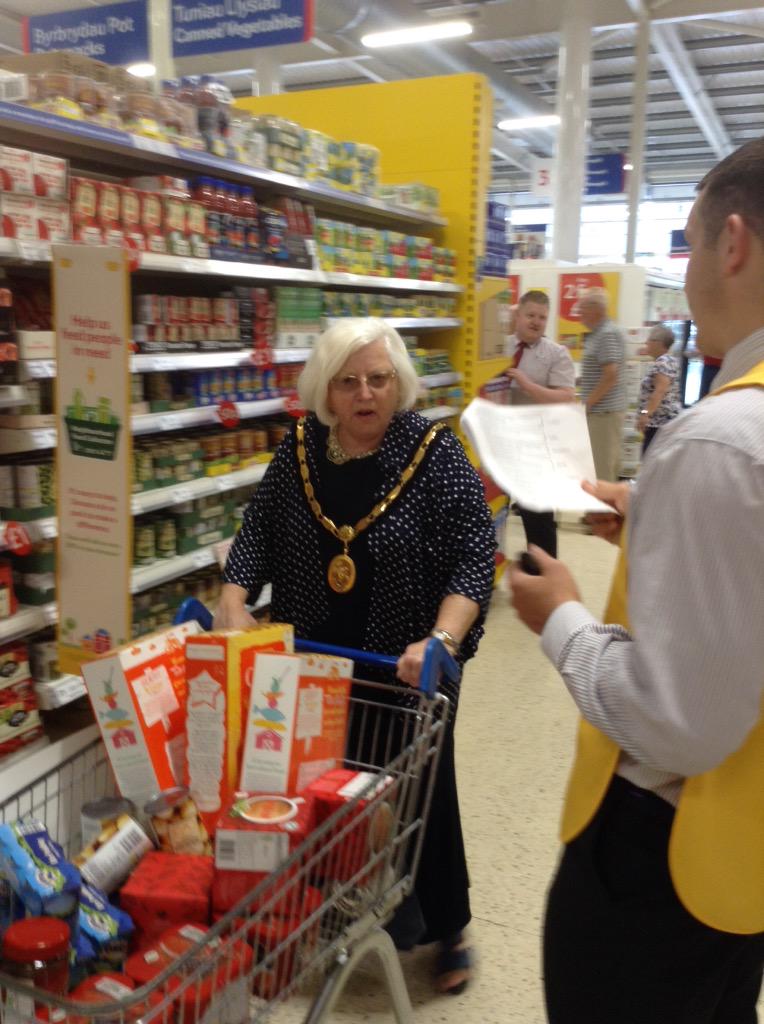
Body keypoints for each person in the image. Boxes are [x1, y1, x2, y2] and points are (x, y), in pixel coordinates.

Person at [508, 138, 764, 1023]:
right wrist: (663, 514)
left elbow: (677, 724)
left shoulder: (718, 441)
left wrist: (561, 618)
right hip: (744, 858)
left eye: (689, 245)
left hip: (663, 862)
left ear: (731, 243)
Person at [216, 318, 496, 995]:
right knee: (320, 788)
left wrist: (442, 639)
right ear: (326, 389)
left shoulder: (432, 450)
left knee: (420, 786)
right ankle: (316, 909)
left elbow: (474, 551)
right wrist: (233, 600)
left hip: (406, 659)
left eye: (378, 379)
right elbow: (258, 528)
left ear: (397, 383)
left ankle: (446, 922)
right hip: (316, 651)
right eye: (348, 381)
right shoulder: (302, 450)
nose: (365, 393)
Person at [503, 289, 576, 556]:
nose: (536, 321)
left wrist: (528, 385)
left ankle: (545, 579)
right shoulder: (501, 346)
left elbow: (566, 398)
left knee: (538, 521)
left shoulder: (557, 354)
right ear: (518, 315)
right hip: (498, 442)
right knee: (493, 510)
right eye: (530, 315)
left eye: (542, 317)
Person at [578, 288, 627, 481]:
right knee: (601, 467)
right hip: (602, 413)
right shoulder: (601, 333)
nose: (579, 314)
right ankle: (599, 510)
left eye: (582, 309)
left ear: (596, 309)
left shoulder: (606, 333)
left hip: (603, 414)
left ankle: (601, 511)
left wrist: (588, 403)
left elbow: (611, 375)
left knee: (602, 470)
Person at [637, 323, 682, 453]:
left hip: (659, 424)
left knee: (651, 460)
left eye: (649, 339)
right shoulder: (669, 360)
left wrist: (645, 414)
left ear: (658, 343)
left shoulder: (663, 362)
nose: (646, 342)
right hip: (663, 423)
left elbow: (660, 390)